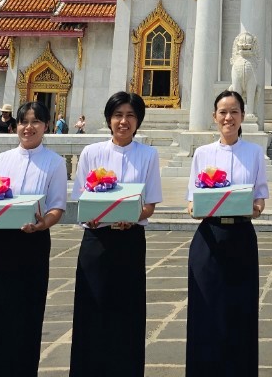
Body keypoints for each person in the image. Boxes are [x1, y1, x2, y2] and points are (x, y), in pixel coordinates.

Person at [0, 101, 67, 377]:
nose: (28, 127)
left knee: (26, 314)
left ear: (46, 126)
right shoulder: (1, 160)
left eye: (35, 122)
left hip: (32, 244)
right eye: (23, 122)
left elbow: (57, 207)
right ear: (15, 126)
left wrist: (42, 224)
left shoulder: (55, 163)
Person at [70, 92, 162, 377]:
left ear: (139, 121)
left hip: (130, 242)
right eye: (118, 115)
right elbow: (80, 200)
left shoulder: (148, 155)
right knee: (91, 309)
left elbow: (150, 205)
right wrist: (94, 216)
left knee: (127, 312)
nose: (124, 121)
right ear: (109, 119)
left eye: (130, 116)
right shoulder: (91, 153)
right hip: (96, 240)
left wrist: (132, 217)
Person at [185, 90, 269, 377]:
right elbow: (191, 203)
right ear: (214, 116)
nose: (228, 117)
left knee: (240, 311)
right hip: (209, 238)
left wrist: (254, 208)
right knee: (205, 310)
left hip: (241, 237)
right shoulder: (202, 154)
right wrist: (200, 207)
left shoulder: (254, 153)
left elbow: (260, 199)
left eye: (234, 112)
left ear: (243, 116)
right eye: (223, 112)